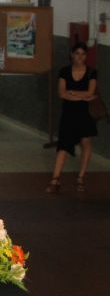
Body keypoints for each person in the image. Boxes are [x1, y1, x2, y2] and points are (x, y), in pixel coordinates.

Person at [46, 42, 97, 194]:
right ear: (71, 55)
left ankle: (81, 177)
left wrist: (72, 93)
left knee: (86, 143)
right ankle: (55, 179)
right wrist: (82, 96)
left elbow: (91, 92)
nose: (80, 57)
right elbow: (62, 93)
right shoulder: (65, 72)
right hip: (68, 114)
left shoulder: (91, 72)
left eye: (83, 54)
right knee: (63, 145)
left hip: (85, 114)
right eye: (77, 53)